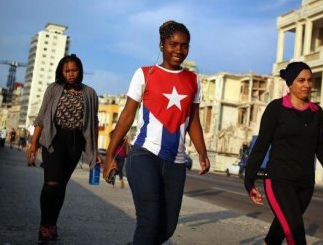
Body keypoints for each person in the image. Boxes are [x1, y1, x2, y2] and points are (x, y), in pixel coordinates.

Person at [103, 20, 210, 245]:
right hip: (144, 155)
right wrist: (110, 155)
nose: (179, 50)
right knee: (149, 220)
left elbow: (193, 121)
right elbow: (126, 116)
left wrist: (202, 152)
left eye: (184, 45)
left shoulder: (193, 80)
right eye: (173, 44)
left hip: (176, 162)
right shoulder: (145, 74)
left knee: (167, 228)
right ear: (162, 44)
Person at [244, 61, 323, 245]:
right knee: (296, 235)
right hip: (278, 180)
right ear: (290, 83)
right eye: (301, 80)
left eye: (310, 80)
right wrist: (249, 181)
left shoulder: (316, 112)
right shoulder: (275, 109)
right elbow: (261, 146)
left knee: (277, 233)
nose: (307, 84)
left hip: (305, 185)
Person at [26, 54, 100, 244]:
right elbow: (42, 117)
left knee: (61, 185)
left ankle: (52, 225)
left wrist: (95, 151)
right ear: (61, 71)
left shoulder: (89, 93)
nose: (70, 74)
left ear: (80, 70)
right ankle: (44, 225)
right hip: (54, 139)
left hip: (75, 143)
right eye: (67, 70)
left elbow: (92, 124)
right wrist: (33, 143)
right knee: (51, 183)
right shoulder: (54, 89)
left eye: (74, 70)